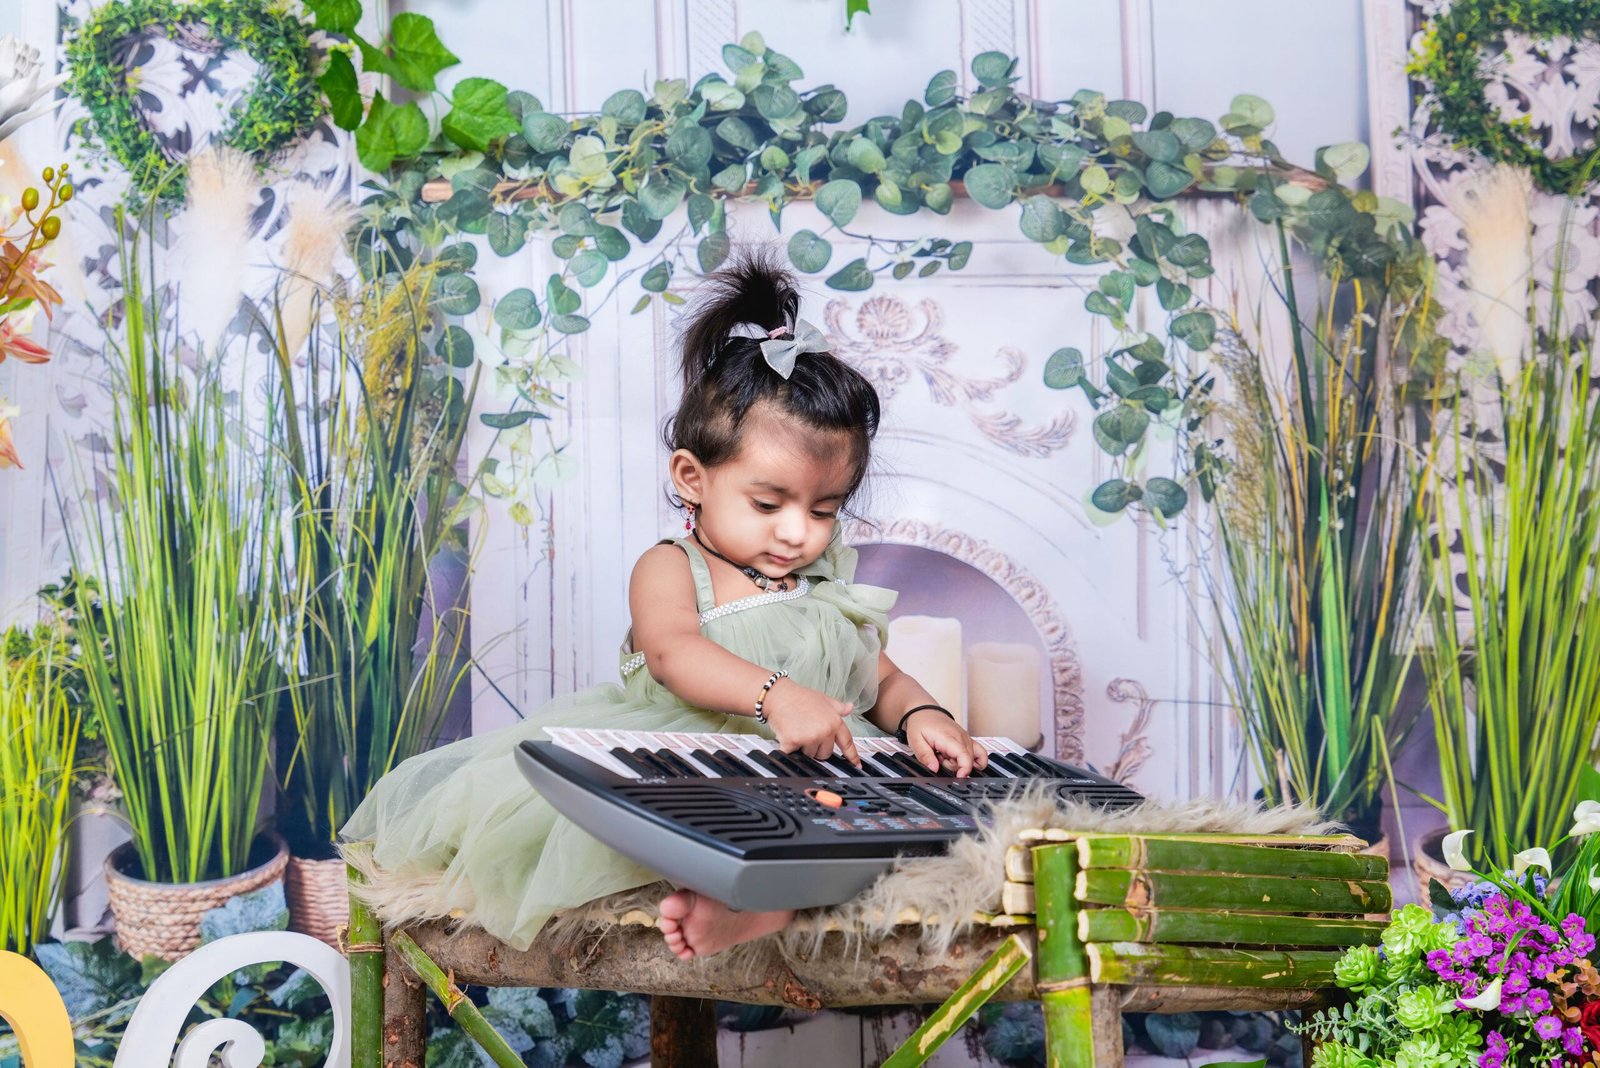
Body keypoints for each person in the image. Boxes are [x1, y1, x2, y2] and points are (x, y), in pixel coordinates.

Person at [341, 250, 988, 960]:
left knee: (885, 837)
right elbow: (674, 654)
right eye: (768, 504)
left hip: (817, 775)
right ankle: (733, 894)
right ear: (691, 477)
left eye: (824, 509)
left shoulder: (824, 585)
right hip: (694, 764)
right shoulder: (673, 567)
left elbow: (879, 676)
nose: (797, 532)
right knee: (688, 825)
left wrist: (923, 715)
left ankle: (763, 907)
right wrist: (776, 695)